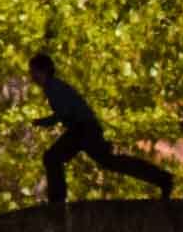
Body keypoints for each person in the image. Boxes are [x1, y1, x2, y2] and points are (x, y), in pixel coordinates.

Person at [28, 52, 174, 204]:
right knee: (108, 161)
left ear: (43, 70)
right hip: (84, 129)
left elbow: (64, 113)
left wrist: (43, 122)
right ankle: (162, 179)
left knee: (53, 158)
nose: (32, 76)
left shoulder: (53, 87)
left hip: (83, 130)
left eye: (34, 72)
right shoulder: (54, 86)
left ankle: (57, 202)